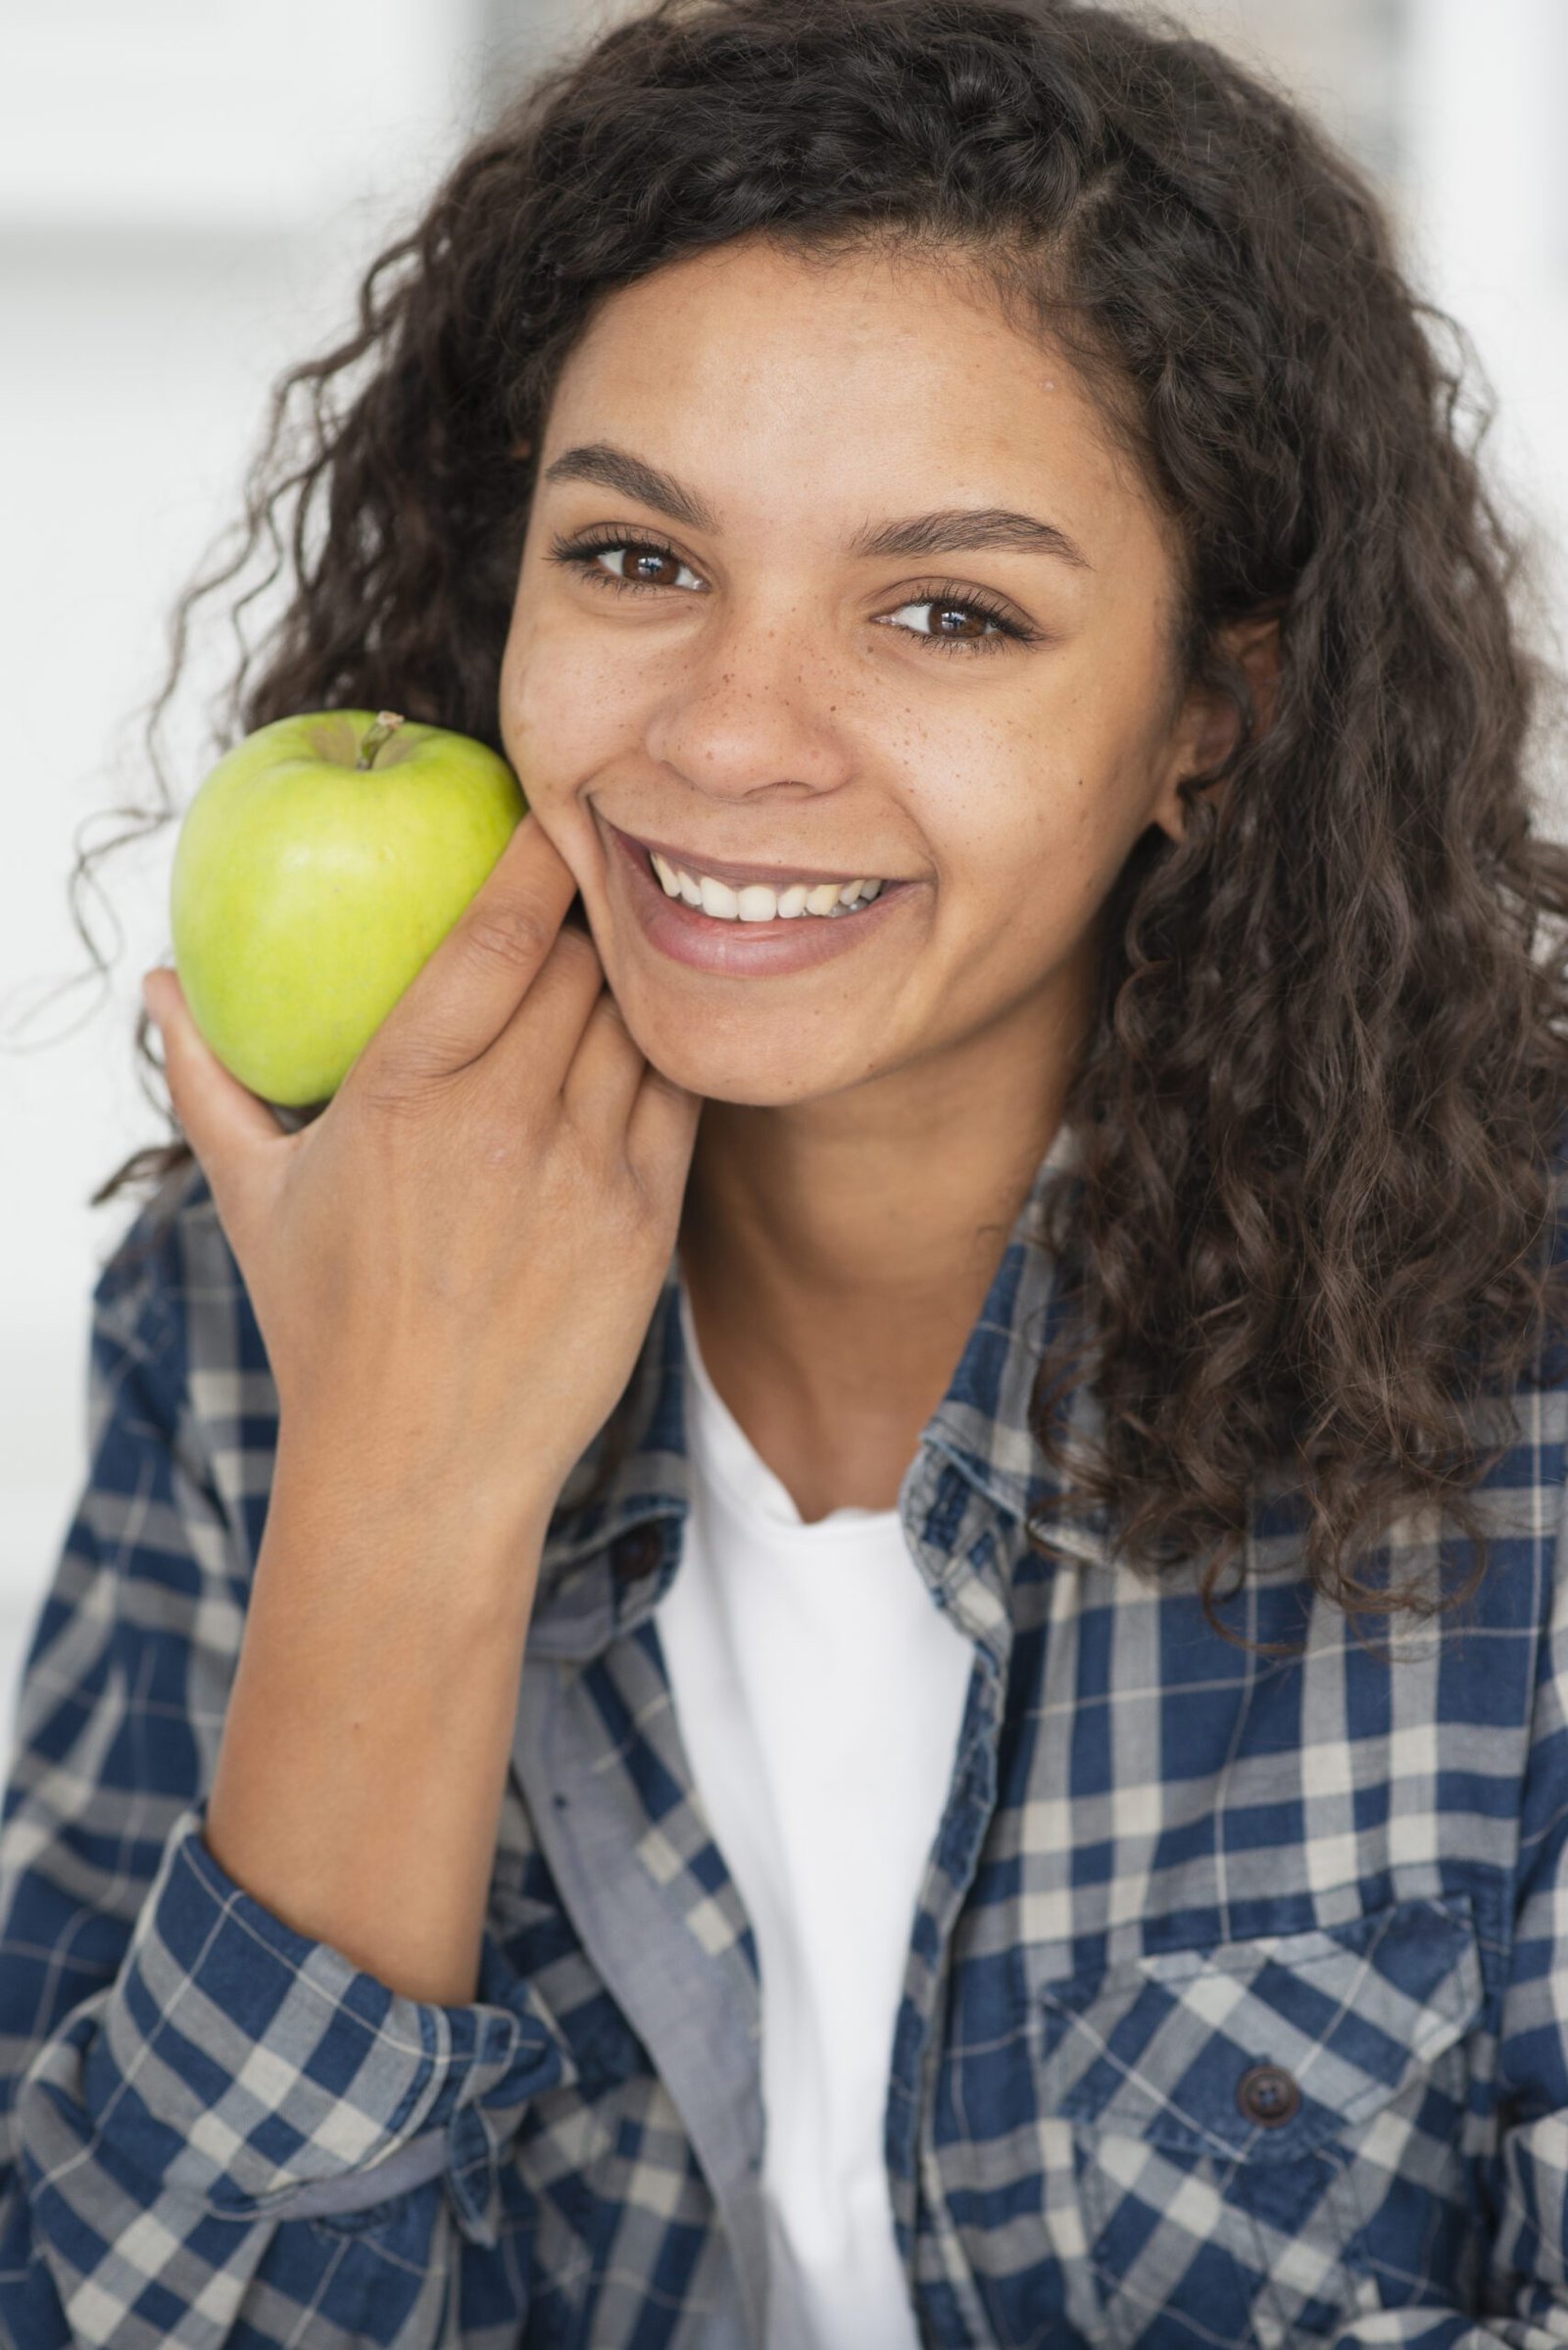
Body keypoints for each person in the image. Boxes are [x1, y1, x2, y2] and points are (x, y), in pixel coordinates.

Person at [5, 0, 1568, 2341]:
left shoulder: (1522, 1377)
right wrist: (395, 1505)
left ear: (1207, 716)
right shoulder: (246, 1317)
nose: (730, 736)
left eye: (945, 612)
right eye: (636, 558)